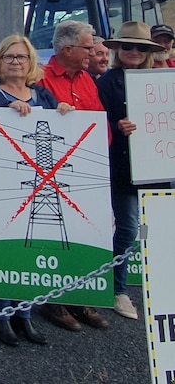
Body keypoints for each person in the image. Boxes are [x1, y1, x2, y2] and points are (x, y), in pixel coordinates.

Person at [0, 34, 70, 346]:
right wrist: (7, 115)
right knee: (1, 250)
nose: (15, 62)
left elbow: (60, 134)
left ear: (31, 63)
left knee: (29, 251)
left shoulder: (45, 97)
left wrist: (63, 112)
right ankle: (0, 316)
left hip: (37, 187)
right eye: (9, 57)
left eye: (21, 57)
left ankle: (25, 316)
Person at [37, 21, 109, 331]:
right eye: (88, 47)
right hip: (54, 171)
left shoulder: (88, 81)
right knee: (55, 237)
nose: (93, 52)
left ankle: (80, 295)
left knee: (81, 233)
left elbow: (98, 119)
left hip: (87, 169)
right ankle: (54, 301)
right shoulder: (39, 80)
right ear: (68, 50)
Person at [96, 22, 165, 320]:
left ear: (149, 52)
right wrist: (115, 126)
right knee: (127, 228)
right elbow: (93, 123)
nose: (133, 52)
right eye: (127, 46)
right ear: (117, 51)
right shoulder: (106, 83)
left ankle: (158, 285)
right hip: (123, 169)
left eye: (140, 47)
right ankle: (118, 290)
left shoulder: (161, 83)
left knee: (157, 230)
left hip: (158, 167)